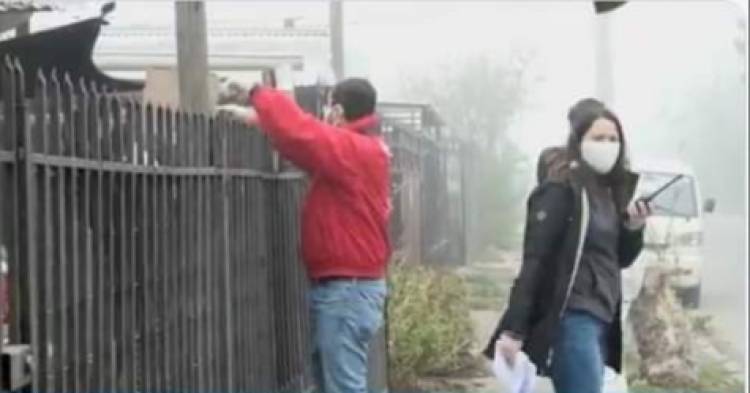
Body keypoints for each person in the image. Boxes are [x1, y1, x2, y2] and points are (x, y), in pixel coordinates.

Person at [219, 78, 391, 393]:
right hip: (348, 289)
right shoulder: (359, 150)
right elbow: (302, 144)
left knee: (342, 387)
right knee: (334, 383)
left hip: (347, 291)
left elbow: (303, 133)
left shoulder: (355, 150)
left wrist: (255, 94)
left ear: (337, 110)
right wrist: (257, 119)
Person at [483, 98, 651, 393]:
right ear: (578, 141)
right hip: (573, 317)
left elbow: (618, 258)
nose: (607, 144)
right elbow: (536, 261)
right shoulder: (562, 191)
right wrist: (514, 329)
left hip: (603, 315)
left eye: (614, 139)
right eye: (598, 138)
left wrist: (633, 228)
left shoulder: (609, 192)